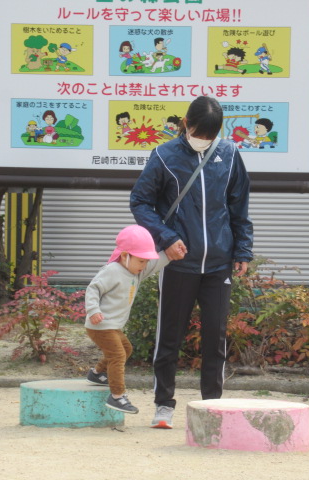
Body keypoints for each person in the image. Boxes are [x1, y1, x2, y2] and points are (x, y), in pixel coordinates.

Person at [130, 96, 253, 429]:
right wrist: (166, 238)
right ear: (186, 123)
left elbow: (239, 205)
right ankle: (163, 405)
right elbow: (140, 202)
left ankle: (212, 407)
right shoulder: (164, 155)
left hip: (218, 263)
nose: (204, 139)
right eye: (200, 132)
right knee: (169, 337)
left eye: (211, 135)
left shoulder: (229, 154)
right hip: (178, 263)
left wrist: (242, 250)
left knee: (216, 338)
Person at [84, 225, 170, 414]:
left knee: (126, 349)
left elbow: (154, 265)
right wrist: (93, 310)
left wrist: (170, 255)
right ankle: (117, 396)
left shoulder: (135, 271)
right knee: (117, 355)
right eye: (141, 261)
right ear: (124, 256)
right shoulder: (112, 270)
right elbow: (93, 288)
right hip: (100, 325)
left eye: (146, 261)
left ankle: (97, 373)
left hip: (112, 326)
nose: (144, 265)